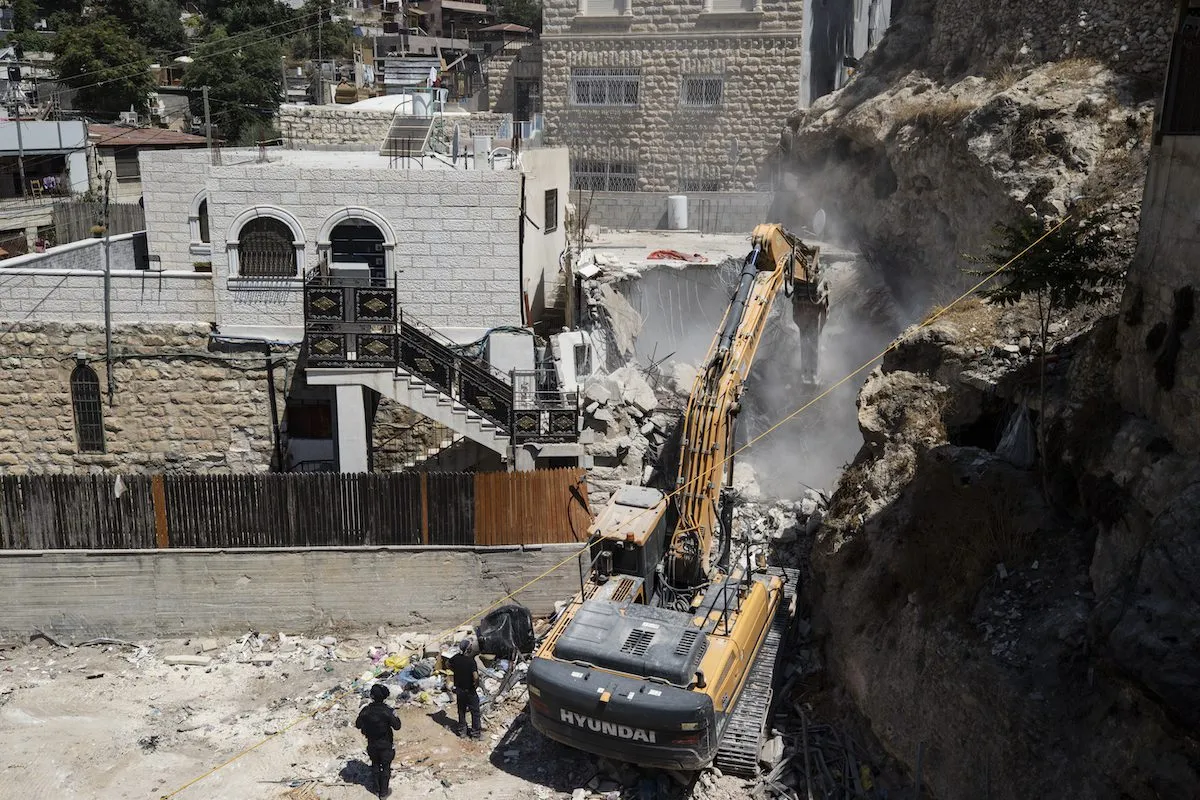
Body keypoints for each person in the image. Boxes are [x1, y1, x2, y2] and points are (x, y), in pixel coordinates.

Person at [355, 683, 401, 797]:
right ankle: (383, 793)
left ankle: (376, 789)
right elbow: (397, 726)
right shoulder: (388, 711)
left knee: (375, 765)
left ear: (372, 696)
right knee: (386, 768)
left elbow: (358, 724)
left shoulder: (366, 710)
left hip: (372, 744)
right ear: (385, 697)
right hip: (385, 744)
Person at [448, 639, 482, 739]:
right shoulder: (471, 661)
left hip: (459, 689)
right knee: (475, 712)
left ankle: (462, 731)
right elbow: (475, 676)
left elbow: (447, 664)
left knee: (461, 710)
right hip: (469, 690)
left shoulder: (456, 658)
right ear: (468, 649)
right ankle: (475, 734)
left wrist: (455, 670)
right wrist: (476, 684)